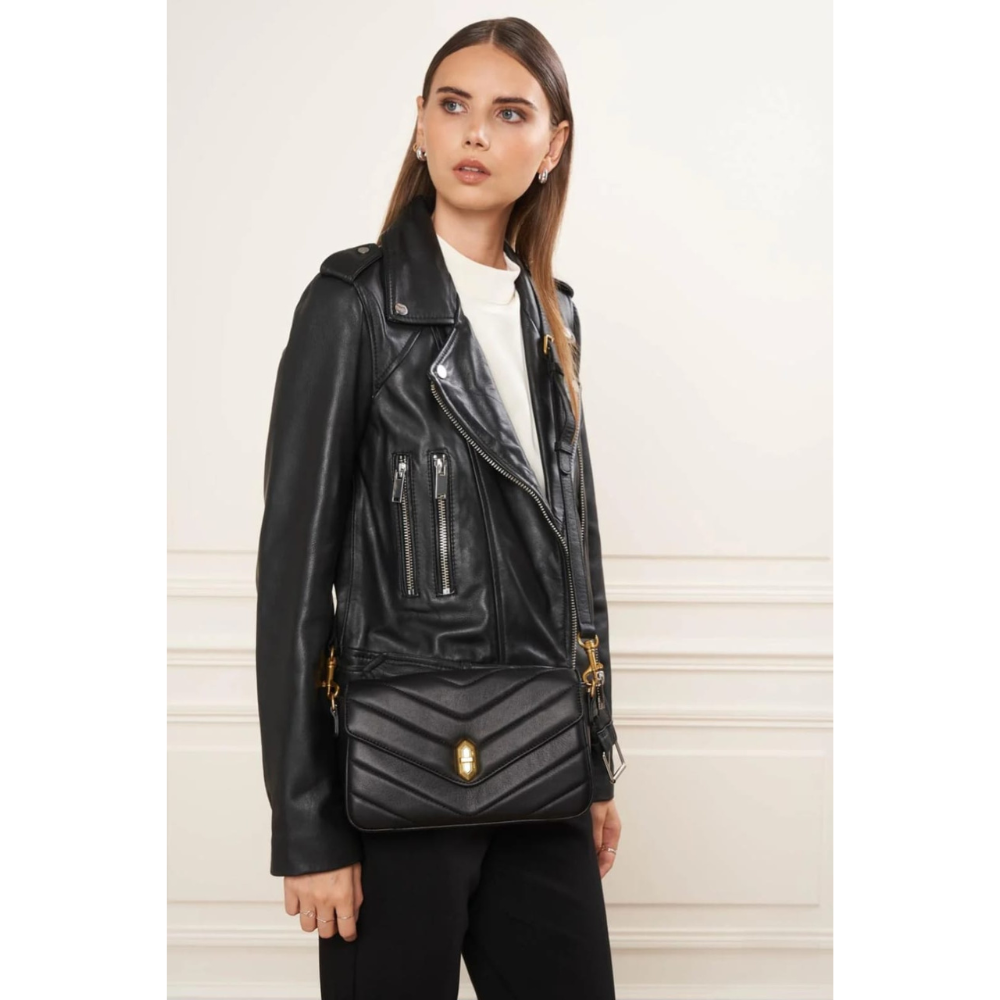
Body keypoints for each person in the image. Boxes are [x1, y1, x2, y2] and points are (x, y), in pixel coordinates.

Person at [255, 17, 623, 999]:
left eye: (511, 113)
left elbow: (576, 559)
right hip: (397, 777)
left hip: (541, 768)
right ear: (420, 124)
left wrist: (592, 760)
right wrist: (308, 827)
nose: (475, 133)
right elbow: (292, 588)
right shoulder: (352, 306)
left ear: (552, 146)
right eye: (453, 105)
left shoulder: (555, 316)